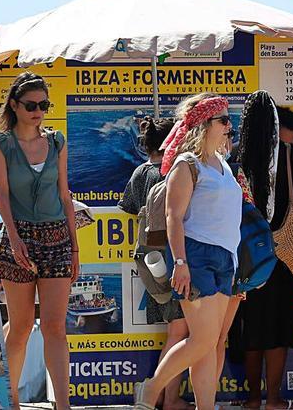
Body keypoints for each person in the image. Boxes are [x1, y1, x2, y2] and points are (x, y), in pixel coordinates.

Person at [136, 93, 241, 410]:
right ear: (204, 125)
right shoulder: (187, 163)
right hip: (196, 255)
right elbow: (174, 217)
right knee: (203, 340)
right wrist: (180, 262)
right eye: (223, 120)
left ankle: (204, 407)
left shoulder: (220, 163)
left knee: (208, 345)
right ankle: (152, 388)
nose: (229, 126)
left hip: (226, 258)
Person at [0, 72, 80, 410]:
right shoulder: (2, 144)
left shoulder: (57, 141)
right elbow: (2, 193)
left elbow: (64, 193)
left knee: (56, 327)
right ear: (15, 104)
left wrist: (74, 247)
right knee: (22, 326)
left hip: (57, 237)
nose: (38, 110)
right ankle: (8, 399)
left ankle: (63, 405)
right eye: (31, 105)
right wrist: (13, 238)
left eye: (44, 104)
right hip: (20, 239)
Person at [229, 91, 293, 410]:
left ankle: (252, 398)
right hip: (283, 252)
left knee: (250, 326)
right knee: (277, 327)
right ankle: (274, 397)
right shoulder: (290, 156)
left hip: (245, 255)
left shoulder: (235, 158)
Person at [119, 115, 190, 410]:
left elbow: (129, 209)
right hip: (173, 259)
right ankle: (166, 397)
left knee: (175, 329)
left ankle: (162, 395)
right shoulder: (173, 172)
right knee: (179, 332)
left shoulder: (139, 174)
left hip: (149, 260)